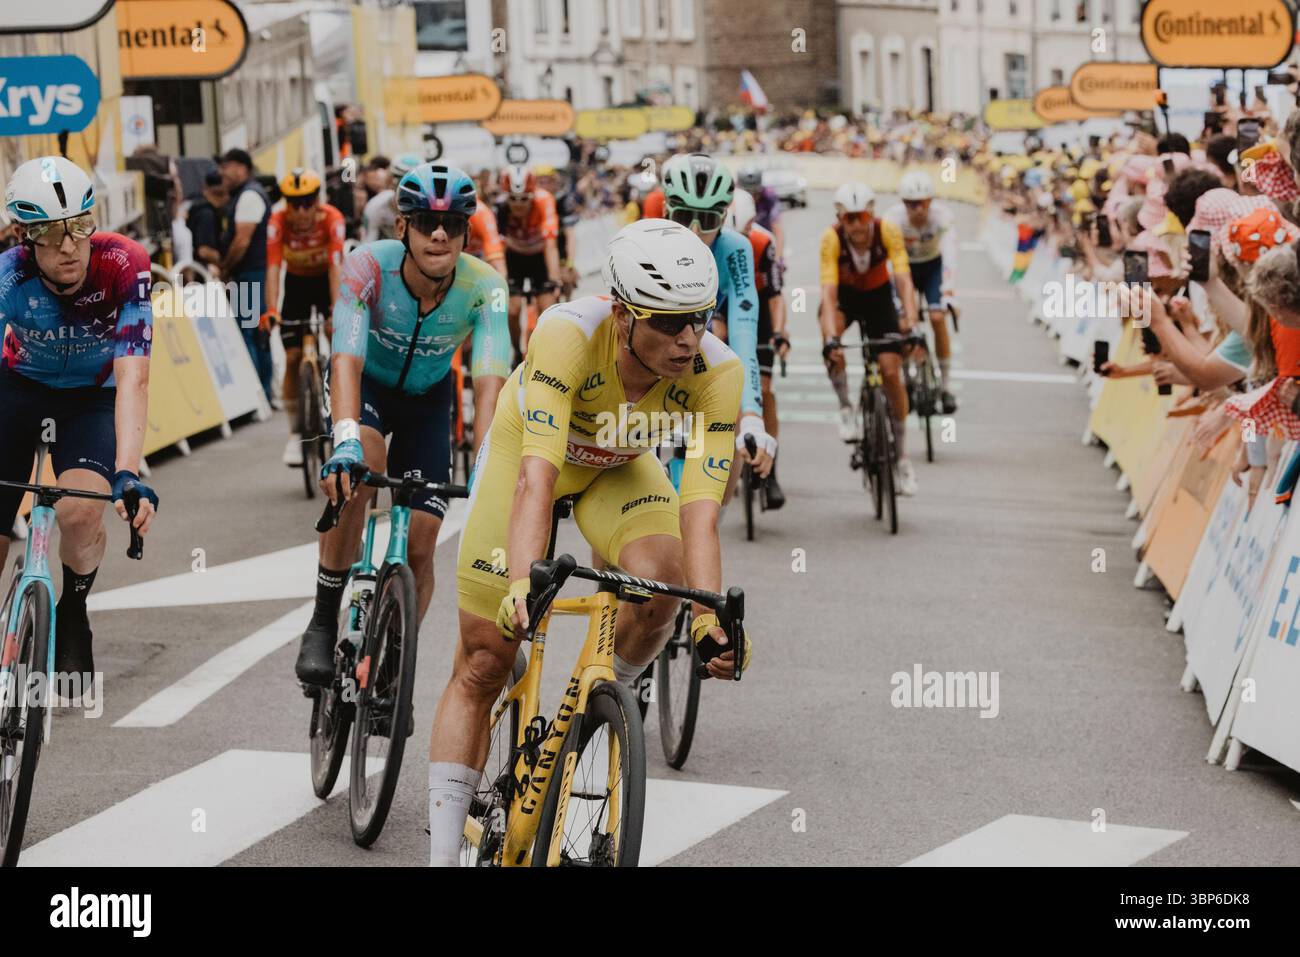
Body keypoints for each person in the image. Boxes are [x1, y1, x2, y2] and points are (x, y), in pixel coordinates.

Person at [428, 219, 751, 866]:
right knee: (486, 657)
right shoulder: (567, 335)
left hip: (618, 465)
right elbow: (534, 480)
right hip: (531, 454)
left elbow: (701, 515)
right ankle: (440, 855)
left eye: (700, 317)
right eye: (668, 322)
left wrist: (710, 614)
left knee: (664, 585)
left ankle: (603, 714)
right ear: (624, 314)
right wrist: (523, 580)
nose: (688, 338)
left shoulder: (718, 372)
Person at [293, 163, 511, 687]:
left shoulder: (486, 288)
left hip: (428, 399)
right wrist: (343, 441)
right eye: (426, 222)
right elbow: (345, 358)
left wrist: (487, 471)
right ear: (402, 229)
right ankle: (324, 619)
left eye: (454, 225)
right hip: (364, 385)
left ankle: (393, 658)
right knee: (362, 468)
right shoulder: (367, 266)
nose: (440, 233)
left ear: (466, 233)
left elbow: (488, 387)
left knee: (422, 535)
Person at [0, 156, 159, 681]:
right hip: (18, 388)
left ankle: (73, 610)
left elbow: (134, 375)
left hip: (90, 397)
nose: (69, 246)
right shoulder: (8, 275)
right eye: (50, 232)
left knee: (79, 514)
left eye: (79, 227)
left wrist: (129, 473)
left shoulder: (125, 263)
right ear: (26, 236)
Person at [660, 152, 775, 482]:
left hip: (705, 336)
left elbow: (743, 333)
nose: (694, 232)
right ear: (667, 210)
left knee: (720, 490)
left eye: (707, 220)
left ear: (725, 217)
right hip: (653, 354)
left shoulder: (737, 249)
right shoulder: (645, 240)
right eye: (684, 217)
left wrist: (752, 415)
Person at [818, 182, 920, 496]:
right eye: (849, 218)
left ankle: (902, 458)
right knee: (831, 341)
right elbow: (828, 292)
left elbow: (904, 279)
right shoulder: (831, 239)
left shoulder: (887, 231)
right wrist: (832, 338)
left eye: (861, 216)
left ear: (871, 214)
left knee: (891, 371)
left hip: (878, 299)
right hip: (847, 298)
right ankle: (847, 407)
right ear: (840, 218)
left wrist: (912, 321)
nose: (857, 225)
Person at [261, 168, 347, 467]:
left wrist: (336, 310)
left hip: (326, 282)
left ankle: (342, 415)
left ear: (317, 201)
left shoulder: (332, 219)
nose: (300, 210)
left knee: (338, 350)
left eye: (307, 202)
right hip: (296, 285)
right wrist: (272, 309)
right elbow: (272, 269)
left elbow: (337, 266)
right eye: (293, 203)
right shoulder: (277, 222)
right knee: (294, 356)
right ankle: (295, 434)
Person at [727, 188, 788, 507]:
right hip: (722, 305)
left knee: (764, 389)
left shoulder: (763, 242)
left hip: (758, 306)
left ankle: (771, 470)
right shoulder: (714, 244)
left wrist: (779, 333)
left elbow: (776, 297)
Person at [883, 170, 959, 413]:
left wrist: (948, 291)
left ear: (930, 201)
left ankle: (946, 387)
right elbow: (888, 262)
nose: (918, 209)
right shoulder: (892, 220)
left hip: (932, 267)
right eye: (912, 204)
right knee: (905, 323)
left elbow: (950, 253)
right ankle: (907, 380)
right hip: (904, 269)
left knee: (937, 318)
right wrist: (897, 301)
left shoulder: (942, 216)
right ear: (903, 203)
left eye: (923, 203)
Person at [217, 148, 274, 401]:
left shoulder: (249, 196)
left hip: (251, 275)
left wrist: (225, 267)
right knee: (254, 330)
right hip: (251, 274)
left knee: (249, 331)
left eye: (227, 166)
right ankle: (263, 391)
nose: (222, 173)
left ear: (242, 168)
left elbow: (241, 242)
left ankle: (258, 394)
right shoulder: (245, 194)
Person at [493, 165, 562, 360]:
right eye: (513, 199)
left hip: (539, 256)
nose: (518, 205)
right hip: (513, 257)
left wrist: (555, 279)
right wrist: (502, 280)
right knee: (512, 310)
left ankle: (541, 354)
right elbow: (497, 249)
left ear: (532, 195)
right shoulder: (499, 208)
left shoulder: (544, 201)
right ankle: (516, 349)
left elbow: (551, 245)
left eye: (524, 199)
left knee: (547, 308)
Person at [737, 166, 785, 261]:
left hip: (766, 241)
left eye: (755, 193)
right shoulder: (734, 196)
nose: (752, 198)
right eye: (748, 193)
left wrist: (778, 258)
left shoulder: (769, 196)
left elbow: (777, 230)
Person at [186, 170, 227, 274]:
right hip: (202, 271)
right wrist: (227, 262)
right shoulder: (206, 214)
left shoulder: (195, 202)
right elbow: (204, 251)